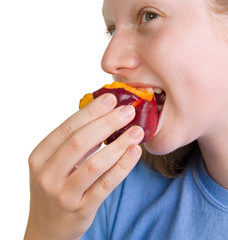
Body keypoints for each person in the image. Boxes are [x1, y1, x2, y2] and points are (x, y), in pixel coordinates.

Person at [24, 0, 228, 239]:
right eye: (111, 30)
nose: (109, 61)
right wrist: (46, 232)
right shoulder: (108, 193)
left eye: (149, 16)